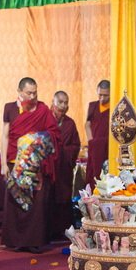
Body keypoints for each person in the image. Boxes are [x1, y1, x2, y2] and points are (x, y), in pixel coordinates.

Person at [0, 77, 60, 252]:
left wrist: (34, 140)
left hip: (35, 165)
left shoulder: (43, 110)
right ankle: (15, 241)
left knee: (35, 205)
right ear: (19, 92)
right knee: (16, 202)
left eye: (35, 92)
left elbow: (54, 133)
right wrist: (3, 163)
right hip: (14, 162)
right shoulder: (10, 108)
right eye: (29, 93)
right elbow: (4, 136)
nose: (33, 96)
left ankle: (33, 241)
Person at [50, 90, 81, 241]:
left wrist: (63, 152)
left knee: (63, 199)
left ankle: (63, 230)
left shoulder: (70, 123)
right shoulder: (46, 120)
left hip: (64, 170)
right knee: (48, 199)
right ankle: (48, 231)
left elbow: (76, 145)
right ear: (53, 103)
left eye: (66, 102)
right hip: (49, 169)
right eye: (60, 102)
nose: (63, 105)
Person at [84, 80, 111, 184]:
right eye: (100, 95)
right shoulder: (93, 106)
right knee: (92, 177)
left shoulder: (115, 108)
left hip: (108, 149)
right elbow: (87, 124)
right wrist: (92, 142)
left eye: (106, 95)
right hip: (94, 148)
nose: (102, 98)